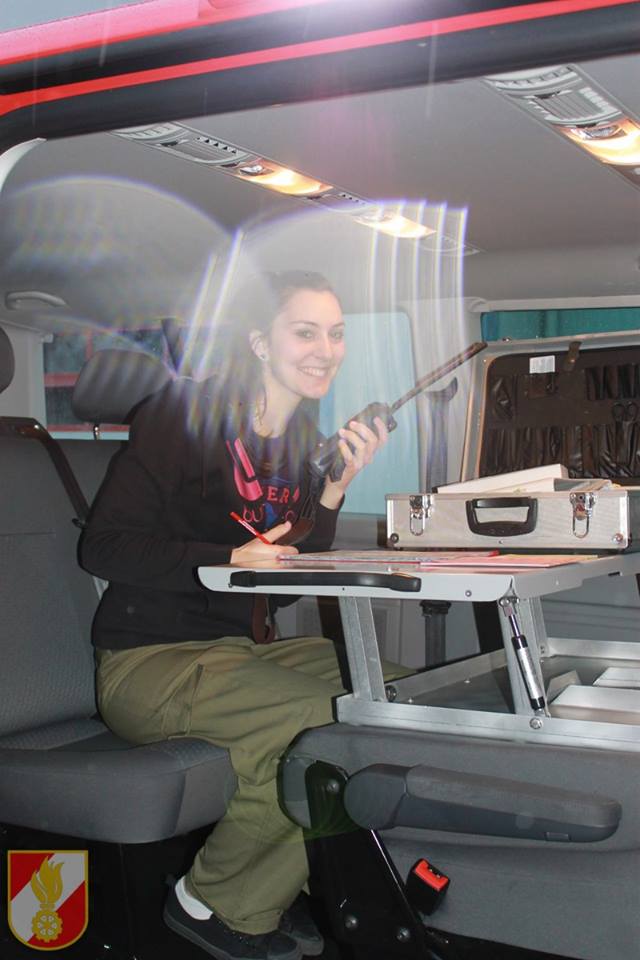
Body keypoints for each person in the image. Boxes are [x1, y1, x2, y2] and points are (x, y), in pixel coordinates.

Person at [80, 270, 394, 960]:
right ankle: (212, 902)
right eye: (304, 331)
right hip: (150, 661)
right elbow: (102, 547)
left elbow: (279, 585)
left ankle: (292, 884)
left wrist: (334, 492)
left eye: (336, 333)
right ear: (258, 341)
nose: (326, 350)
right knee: (320, 720)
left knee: (394, 696)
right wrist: (226, 555)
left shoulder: (300, 440)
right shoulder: (181, 415)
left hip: (240, 650)